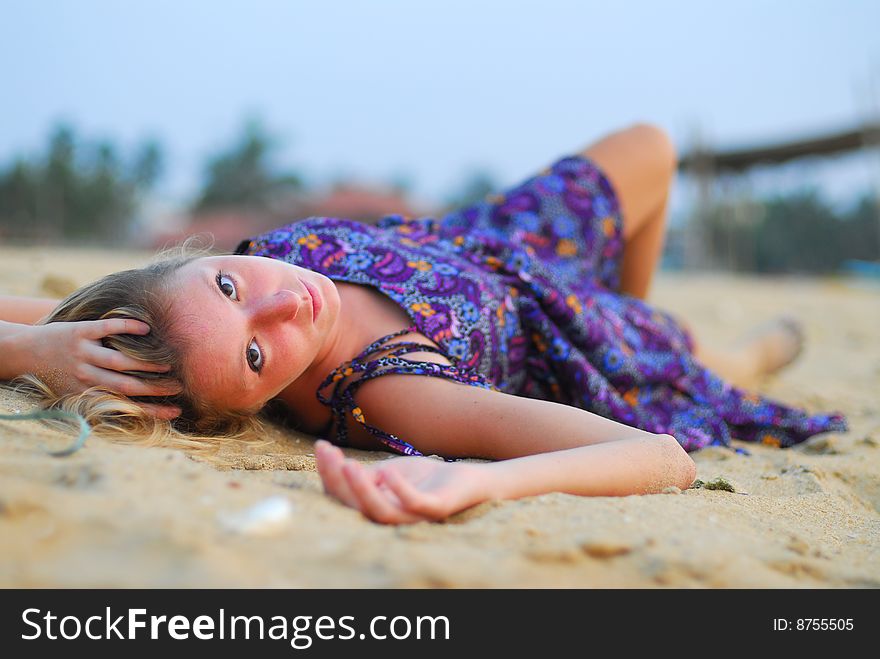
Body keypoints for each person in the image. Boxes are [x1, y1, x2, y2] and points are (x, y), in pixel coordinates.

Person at [0, 123, 847, 525]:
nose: (285, 302)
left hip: (494, 238)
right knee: (719, 361)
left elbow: (64, 325)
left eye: (229, 282)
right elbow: (661, 457)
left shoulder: (168, 319)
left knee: (653, 149)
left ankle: (645, 308)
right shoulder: (393, 389)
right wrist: (481, 481)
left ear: (186, 258)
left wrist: (31, 344)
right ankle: (726, 345)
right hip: (565, 326)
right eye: (259, 354)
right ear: (254, 401)